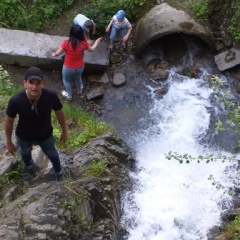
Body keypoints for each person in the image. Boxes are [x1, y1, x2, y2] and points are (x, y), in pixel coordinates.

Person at [5, 67, 68, 181]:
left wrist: (64, 131)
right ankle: (29, 165)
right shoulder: (16, 100)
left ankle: (58, 170)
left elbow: (59, 112)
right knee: (25, 153)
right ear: (25, 83)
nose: (34, 87)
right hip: (24, 136)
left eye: (37, 83)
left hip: (45, 135)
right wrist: (9, 142)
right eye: (31, 83)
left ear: (42, 84)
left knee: (52, 153)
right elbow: (9, 121)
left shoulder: (51, 96)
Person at [52, 25, 102, 101]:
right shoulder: (84, 44)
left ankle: (69, 95)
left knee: (66, 80)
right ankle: (79, 90)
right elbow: (91, 49)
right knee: (78, 78)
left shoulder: (66, 43)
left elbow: (58, 53)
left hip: (68, 67)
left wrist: (54, 54)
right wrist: (97, 42)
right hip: (80, 67)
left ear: (71, 33)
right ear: (81, 34)